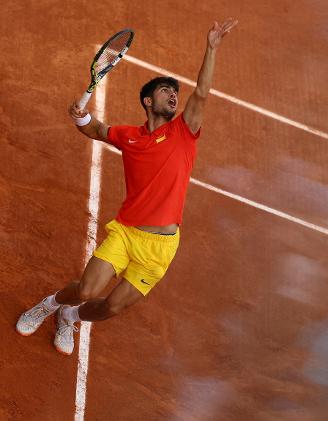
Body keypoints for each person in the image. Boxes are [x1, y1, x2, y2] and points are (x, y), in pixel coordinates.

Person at [15, 19, 239, 355]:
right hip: (126, 232)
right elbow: (97, 130)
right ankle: (47, 305)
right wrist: (79, 116)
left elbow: (202, 93)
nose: (174, 95)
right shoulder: (131, 137)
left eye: (175, 92)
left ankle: (69, 316)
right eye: (165, 91)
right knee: (89, 289)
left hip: (161, 249)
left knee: (111, 308)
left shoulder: (184, 132)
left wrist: (212, 48)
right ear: (148, 102)